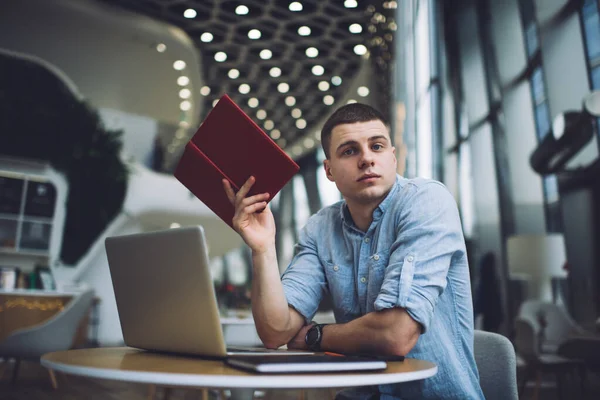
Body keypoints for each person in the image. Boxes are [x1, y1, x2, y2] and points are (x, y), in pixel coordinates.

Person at [223, 103, 484, 399]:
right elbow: (275, 331)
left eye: (377, 146)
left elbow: (396, 335)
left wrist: (315, 335)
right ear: (329, 170)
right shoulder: (320, 229)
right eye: (349, 151)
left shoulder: (426, 201)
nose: (367, 159)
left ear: (393, 156)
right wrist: (263, 248)